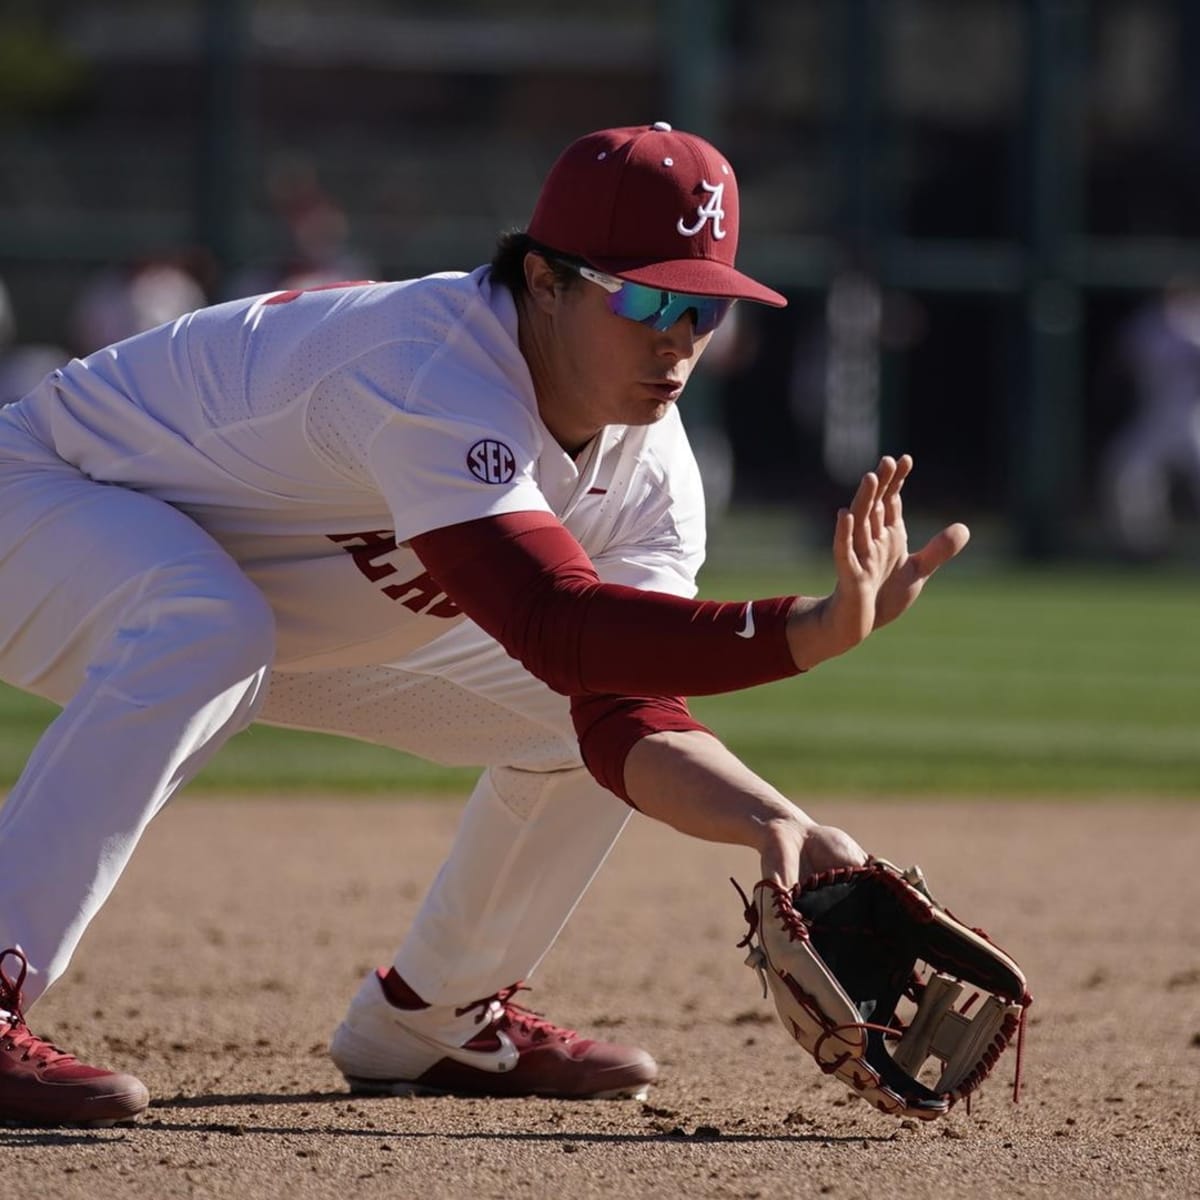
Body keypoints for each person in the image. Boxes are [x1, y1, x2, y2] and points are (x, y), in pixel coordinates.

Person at [0, 122, 969, 1126]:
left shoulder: (654, 472)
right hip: (39, 502)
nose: (678, 339)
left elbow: (620, 698)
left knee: (567, 709)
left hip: (271, 607)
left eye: (706, 310)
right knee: (206, 622)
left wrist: (780, 823)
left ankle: (433, 1016)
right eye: (646, 297)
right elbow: (556, 623)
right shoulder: (436, 368)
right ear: (544, 280)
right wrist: (805, 631)